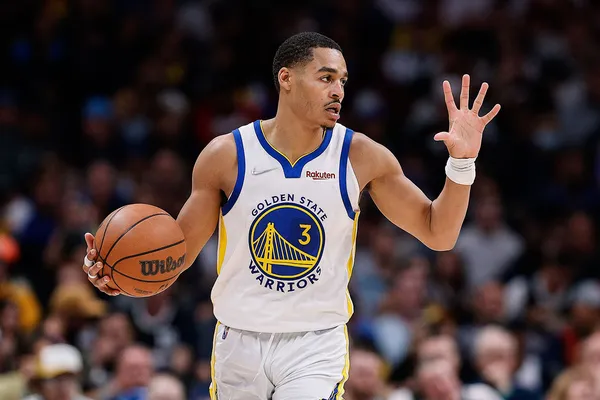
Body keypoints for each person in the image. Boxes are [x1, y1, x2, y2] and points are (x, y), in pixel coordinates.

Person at [82, 32, 500, 399]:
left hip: (314, 344)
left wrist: (462, 164)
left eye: (342, 81)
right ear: (286, 78)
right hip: (237, 341)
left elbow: (438, 233)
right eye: (326, 78)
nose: (338, 91)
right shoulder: (227, 155)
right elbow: (177, 254)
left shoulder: (360, 156)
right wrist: (117, 275)